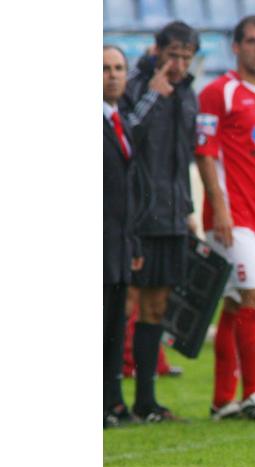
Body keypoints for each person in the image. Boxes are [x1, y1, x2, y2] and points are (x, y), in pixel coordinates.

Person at [195, 15, 255, 422]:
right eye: (252, 41)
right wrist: (219, 208)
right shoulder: (218, 92)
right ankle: (253, 393)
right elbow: (205, 153)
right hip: (231, 219)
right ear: (236, 46)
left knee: (236, 303)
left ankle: (222, 401)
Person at [121, 20, 201, 422]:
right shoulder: (135, 86)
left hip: (171, 216)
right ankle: (110, 400)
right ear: (157, 51)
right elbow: (123, 139)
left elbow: (183, 159)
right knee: (124, 306)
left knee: (156, 307)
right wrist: (154, 95)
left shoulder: (188, 95)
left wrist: (187, 210)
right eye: (173, 56)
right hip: (137, 216)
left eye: (186, 58)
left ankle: (146, 401)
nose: (179, 65)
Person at [104, 45, 145, 428]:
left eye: (118, 68)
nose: (113, 75)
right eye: (105, 69)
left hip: (118, 244)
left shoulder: (121, 122)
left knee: (115, 327)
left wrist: (132, 242)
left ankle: (112, 402)